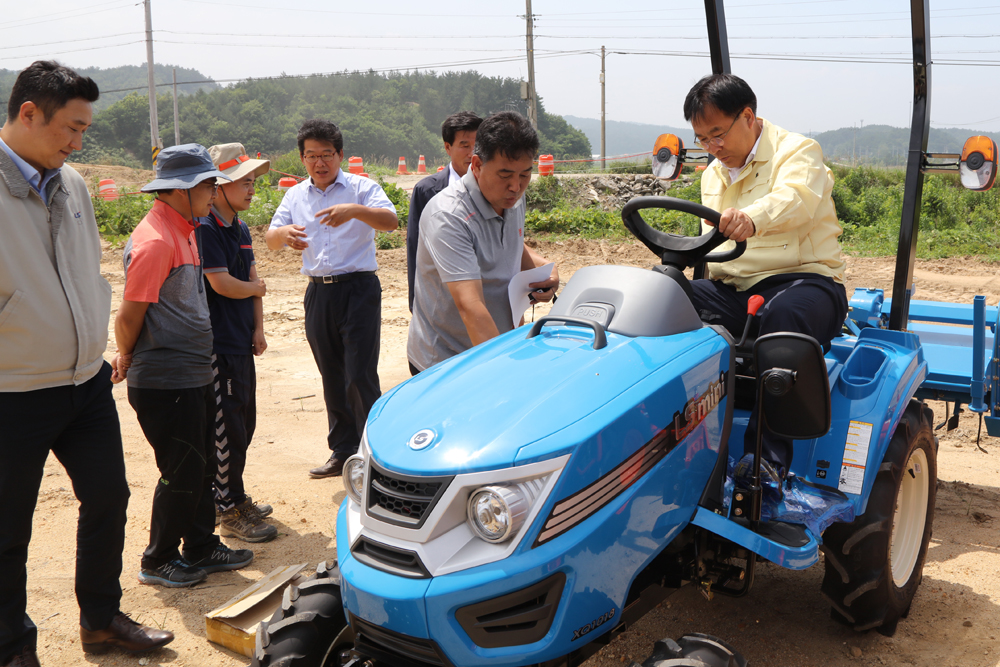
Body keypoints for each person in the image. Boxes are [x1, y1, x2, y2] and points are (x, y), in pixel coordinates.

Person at [0, 61, 173, 667]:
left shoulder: (71, 184)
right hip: (12, 389)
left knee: (108, 497)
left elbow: (84, 271)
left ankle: (100, 620)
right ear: (28, 113)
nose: (78, 143)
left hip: (84, 381)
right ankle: (12, 646)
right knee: (7, 530)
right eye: (70, 128)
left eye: (83, 131)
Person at [682, 73, 848, 474]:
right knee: (663, 294)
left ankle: (766, 462)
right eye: (702, 139)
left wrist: (751, 219)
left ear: (748, 116)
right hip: (737, 289)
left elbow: (796, 200)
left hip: (805, 282)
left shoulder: (798, 151)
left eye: (718, 134)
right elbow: (714, 243)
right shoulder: (712, 174)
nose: (712, 148)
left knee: (783, 318)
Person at [114, 143, 254, 588]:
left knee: (205, 461)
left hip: (194, 370)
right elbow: (130, 313)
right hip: (164, 378)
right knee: (181, 469)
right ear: (181, 189)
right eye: (209, 185)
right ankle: (157, 560)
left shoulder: (186, 228)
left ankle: (199, 545)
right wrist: (126, 354)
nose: (214, 193)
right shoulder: (155, 241)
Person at [266, 120, 398, 479]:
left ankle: (377, 453)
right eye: (311, 156)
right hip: (319, 293)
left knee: (359, 373)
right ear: (302, 158)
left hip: (358, 289)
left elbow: (391, 220)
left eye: (326, 155)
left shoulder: (360, 187)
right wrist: (285, 235)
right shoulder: (295, 195)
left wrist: (354, 211)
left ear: (340, 155)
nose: (319, 163)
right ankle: (342, 451)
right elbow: (270, 237)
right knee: (332, 373)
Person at [407, 111, 559, 374]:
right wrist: (504, 373)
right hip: (449, 361)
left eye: (525, 174)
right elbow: (471, 305)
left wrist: (542, 271)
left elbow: (511, 242)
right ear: (476, 165)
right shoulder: (449, 215)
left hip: (498, 345)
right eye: (505, 174)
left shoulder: (512, 198)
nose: (516, 186)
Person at [198, 143, 277, 542]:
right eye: (244, 182)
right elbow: (223, 283)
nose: (251, 189)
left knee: (244, 423)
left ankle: (234, 495)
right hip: (219, 343)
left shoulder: (240, 228)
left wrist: (258, 329)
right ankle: (227, 508)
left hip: (240, 341)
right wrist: (253, 288)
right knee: (226, 428)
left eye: (252, 182)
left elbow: (252, 279)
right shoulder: (207, 228)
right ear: (221, 185)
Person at [406, 111, 482, 311]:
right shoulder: (427, 191)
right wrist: (415, 301)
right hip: (441, 296)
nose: (472, 153)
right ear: (448, 147)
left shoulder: (496, 190)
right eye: (464, 145)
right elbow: (415, 245)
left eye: (477, 145)